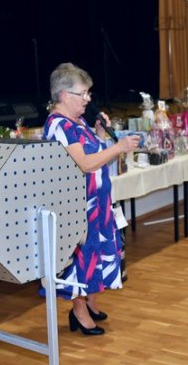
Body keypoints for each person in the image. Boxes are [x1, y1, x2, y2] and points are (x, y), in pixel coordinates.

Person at [43, 62, 139, 335]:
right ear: (64, 95)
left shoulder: (79, 122)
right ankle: (79, 311)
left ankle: (91, 304)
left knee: (96, 255)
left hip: (96, 204)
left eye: (88, 93)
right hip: (77, 207)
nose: (87, 99)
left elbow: (93, 153)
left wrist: (99, 134)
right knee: (81, 260)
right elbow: (84, 164)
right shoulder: (59, 125)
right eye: (82, 94)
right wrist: (118, 147)